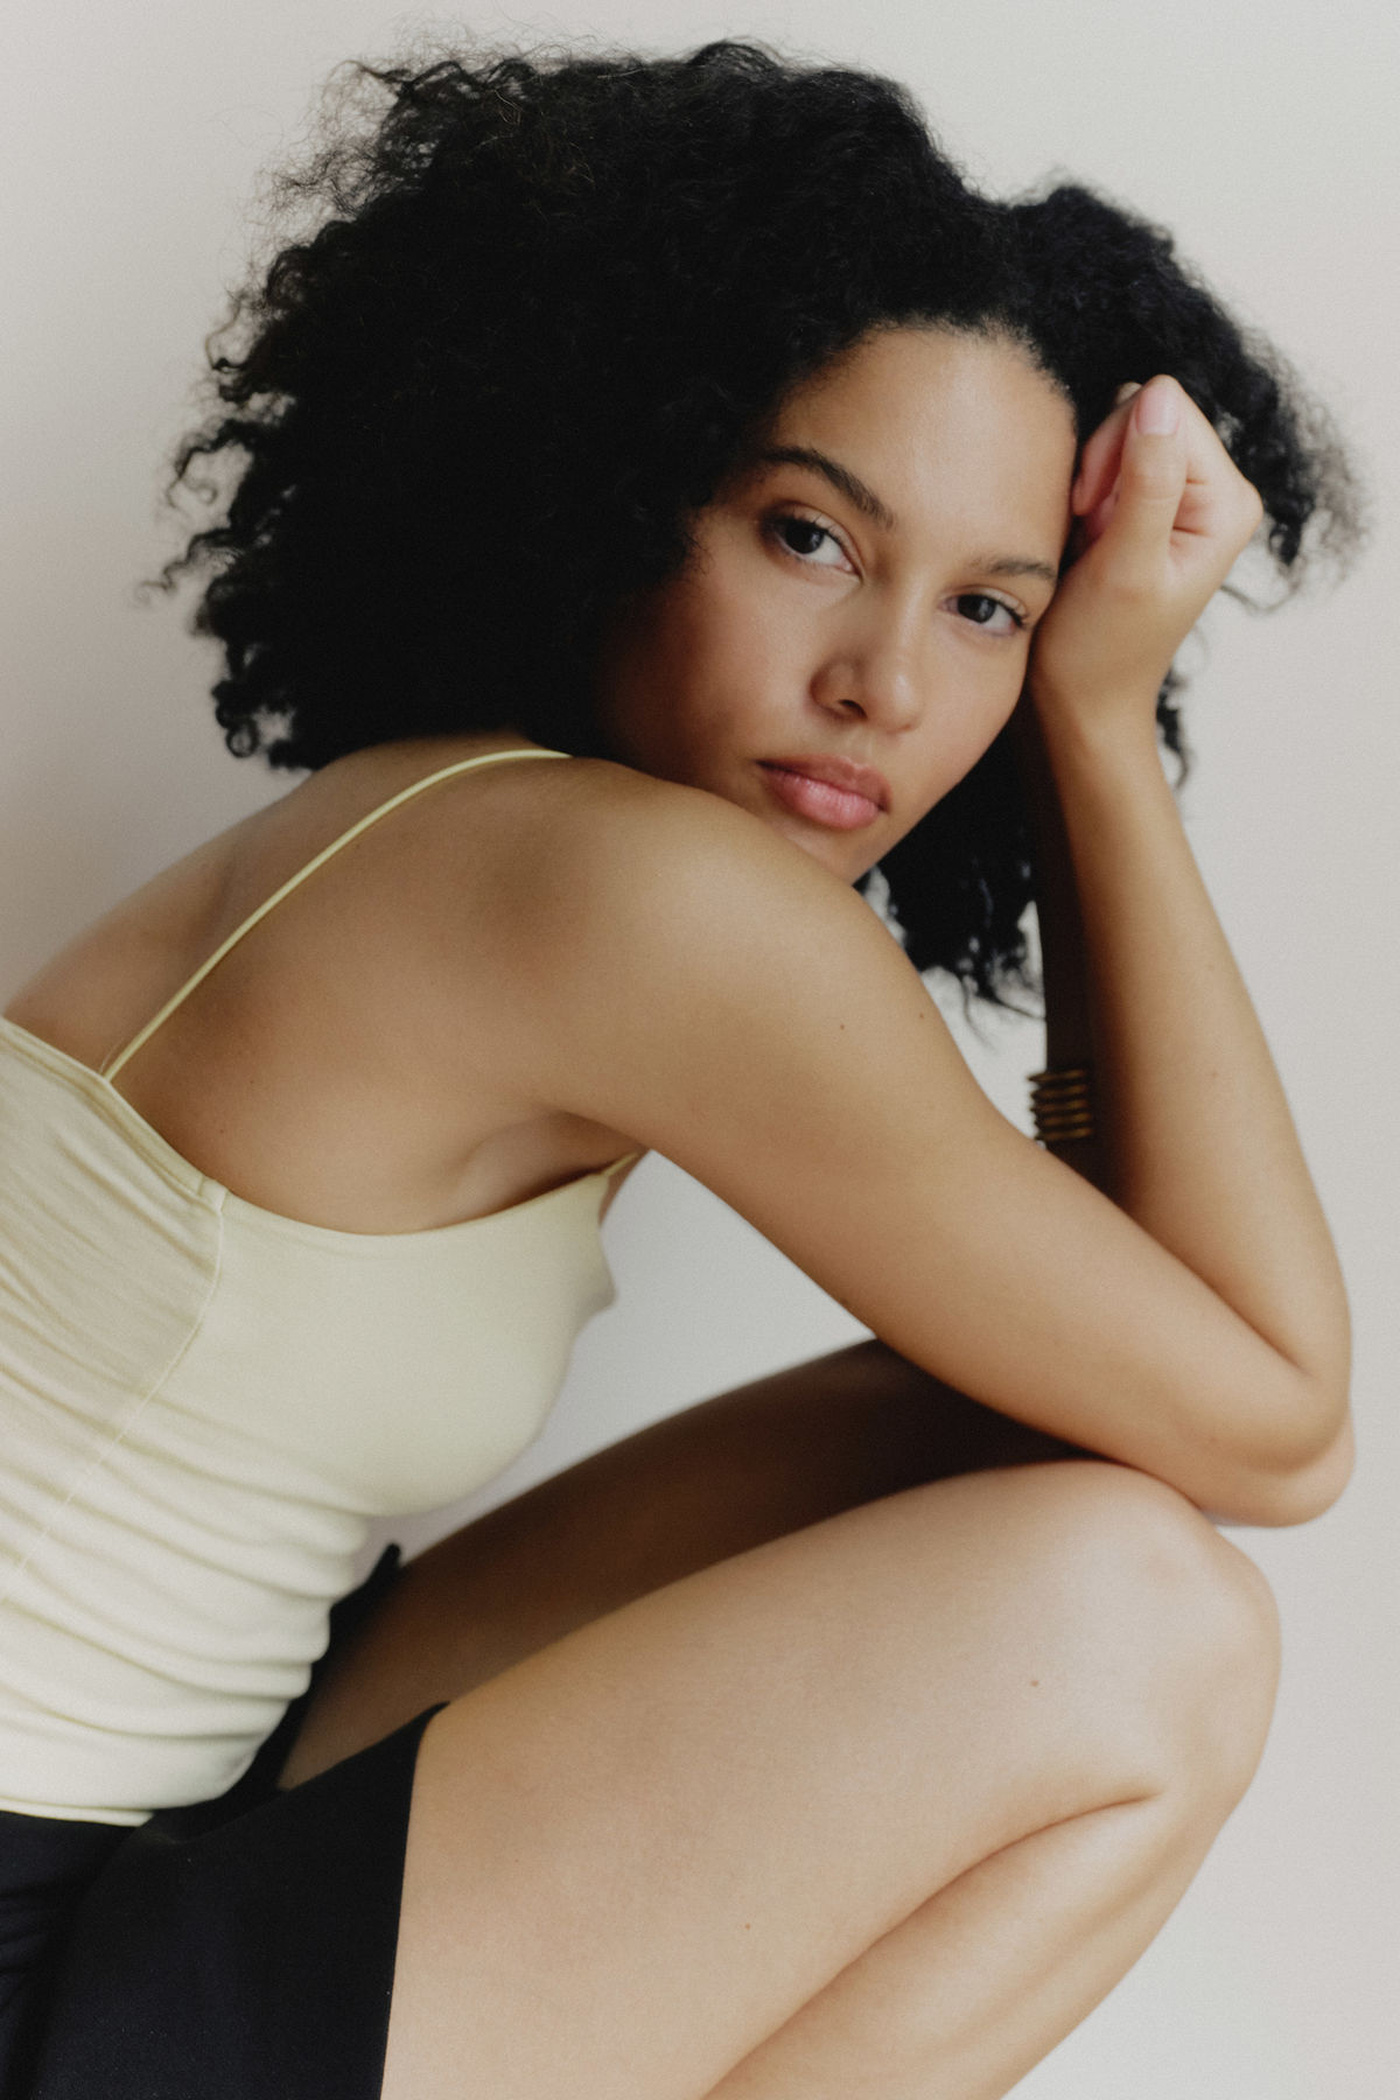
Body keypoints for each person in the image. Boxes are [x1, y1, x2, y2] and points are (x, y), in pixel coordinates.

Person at [0, 35, 1361, 2100]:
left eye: (992, 611)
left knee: (1031, 1433)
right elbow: (1279, 1423)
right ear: (623, 491)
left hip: (160, 1819)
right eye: (811, 537)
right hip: (38, 1934)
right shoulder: (636, 902)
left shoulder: (454, 813)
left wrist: (1073, 705)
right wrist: (1100, 731)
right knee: (1154, 1625)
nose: (884, 683)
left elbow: (1147, 1364)